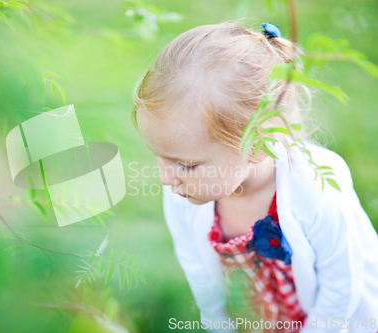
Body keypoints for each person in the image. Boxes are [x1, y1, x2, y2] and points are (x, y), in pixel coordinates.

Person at [130, 21, 378, 333]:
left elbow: (342, 287)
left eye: (186, 164)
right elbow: (199, 272)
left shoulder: (316, 194)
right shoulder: (185, 196)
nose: (167, 178)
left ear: (256, 145)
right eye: (159, 155)